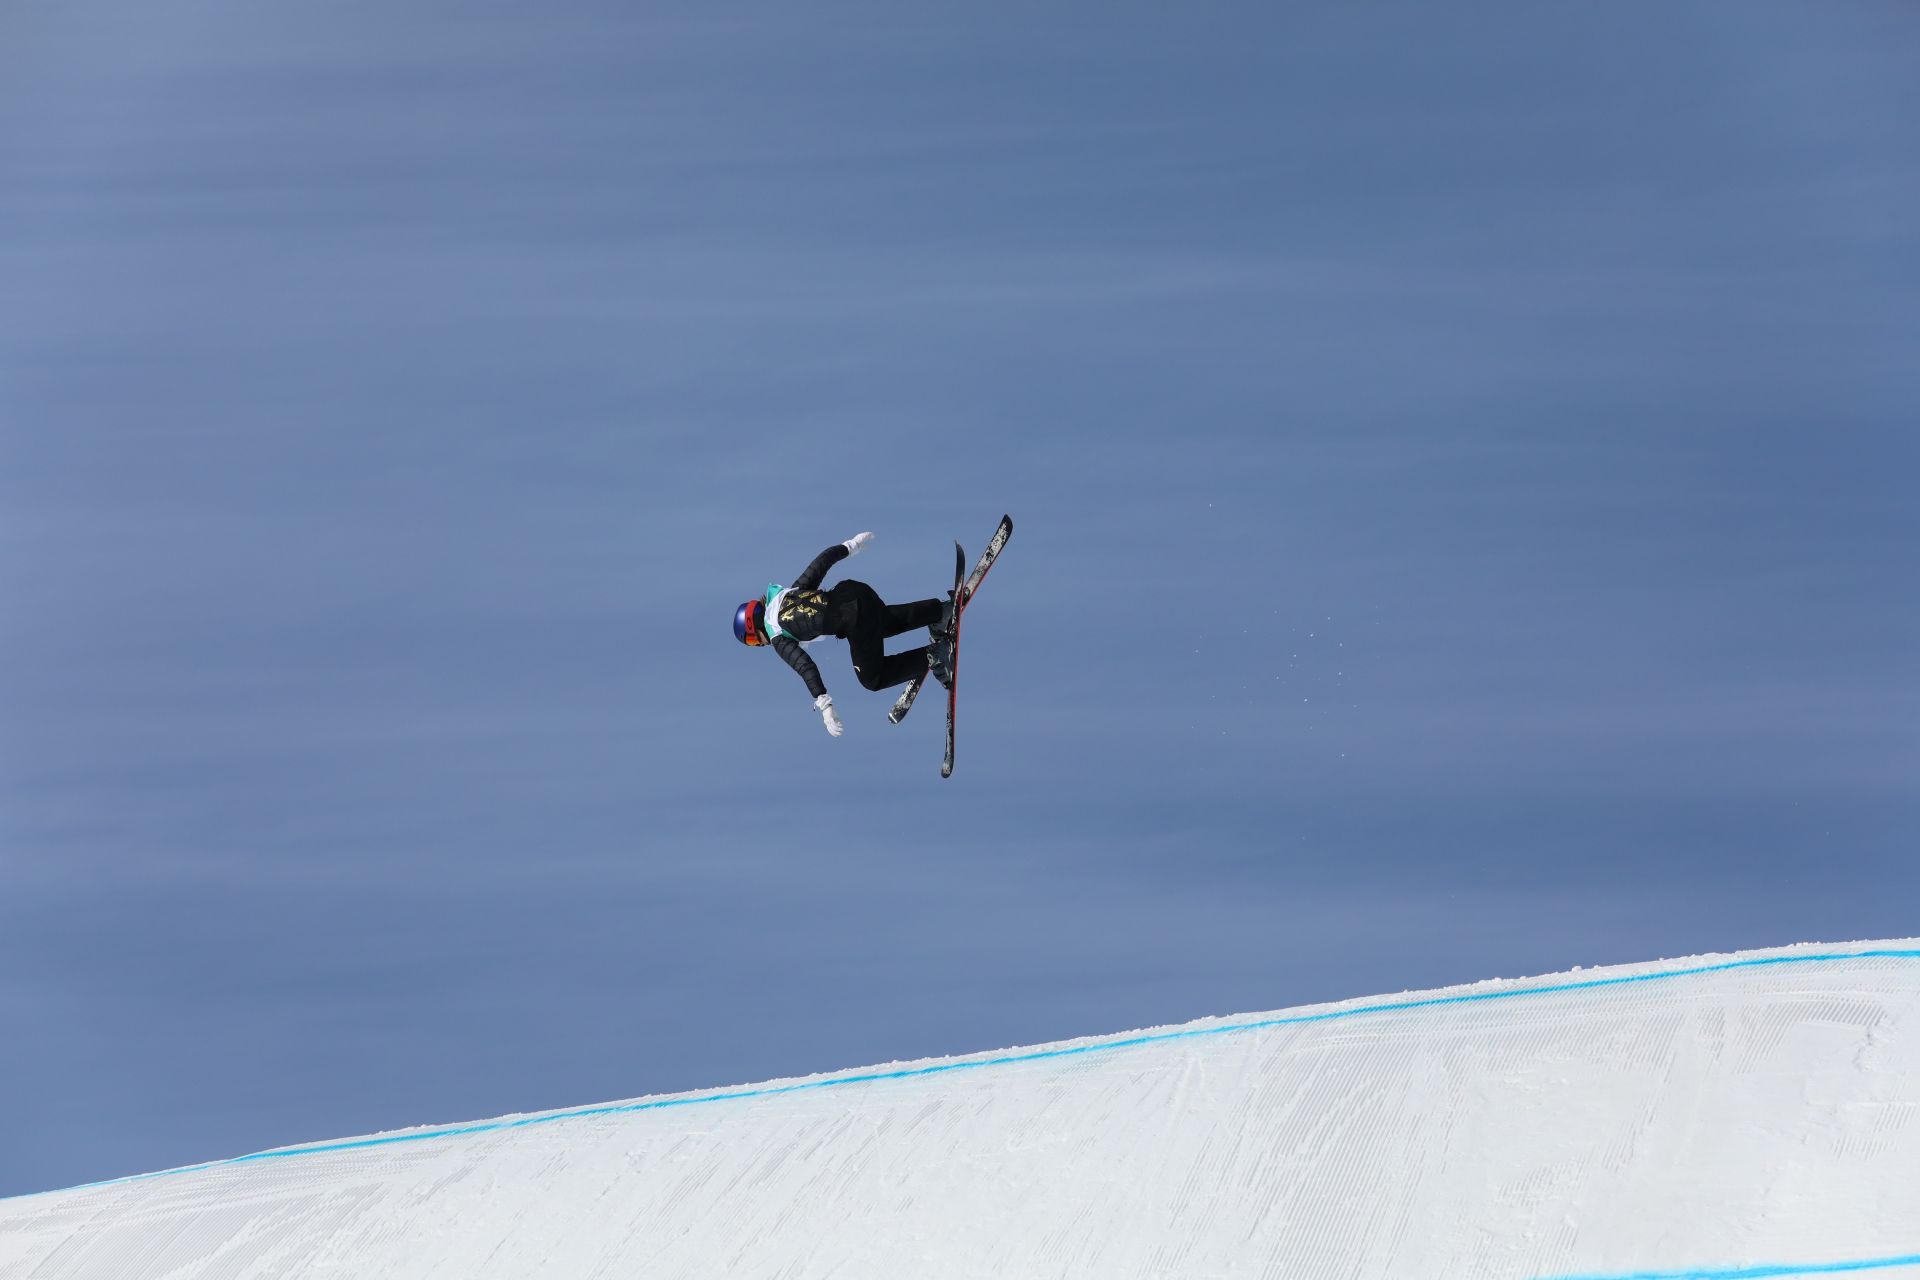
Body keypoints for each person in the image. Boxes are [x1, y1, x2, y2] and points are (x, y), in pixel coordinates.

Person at [733, 532, 951, 737]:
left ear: (755, 625)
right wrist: (850, 545)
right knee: (882, 624)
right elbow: (820, 564)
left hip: (853, 618)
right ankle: (940, 612)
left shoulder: (777, 636)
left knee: (872, 678)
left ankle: (934, 657)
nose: (760, 645)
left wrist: (825, 705)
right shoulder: (786, 595)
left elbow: (805, 667)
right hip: (854, 590)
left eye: (752, 641)